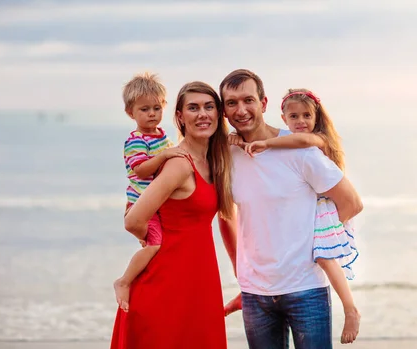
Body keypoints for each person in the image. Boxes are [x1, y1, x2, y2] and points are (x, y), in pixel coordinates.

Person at [220, 69, 363, 349]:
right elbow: (226, 215)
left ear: (263, 103)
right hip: (255, 294)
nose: (241, 109)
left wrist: (319, 236)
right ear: (224, 111)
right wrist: (241, 272)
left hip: (305, 289)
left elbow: (352, 203)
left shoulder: (301, 151)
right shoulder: (227, 156)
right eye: (232, 103)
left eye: (248, 100)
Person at [110, 81, 237, 349]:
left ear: (218, 114)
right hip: (165, 286)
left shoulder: (214, 162)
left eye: (209, 106)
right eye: (193, 107)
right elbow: (133, 221)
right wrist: (154, 242)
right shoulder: (179, 164)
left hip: (198, 282)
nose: (202, 114)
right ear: (180, 116)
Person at [113, 72, 188, 313]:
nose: (152, 114)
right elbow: (142, 170)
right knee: (154, 246)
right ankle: (124, 280)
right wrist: (165, 155)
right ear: (130, 113)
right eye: (145, 109)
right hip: (141, 205)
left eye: (157, 108)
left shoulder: (161, 136)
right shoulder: (136, 140)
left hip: (156, 204)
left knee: (162, 249)